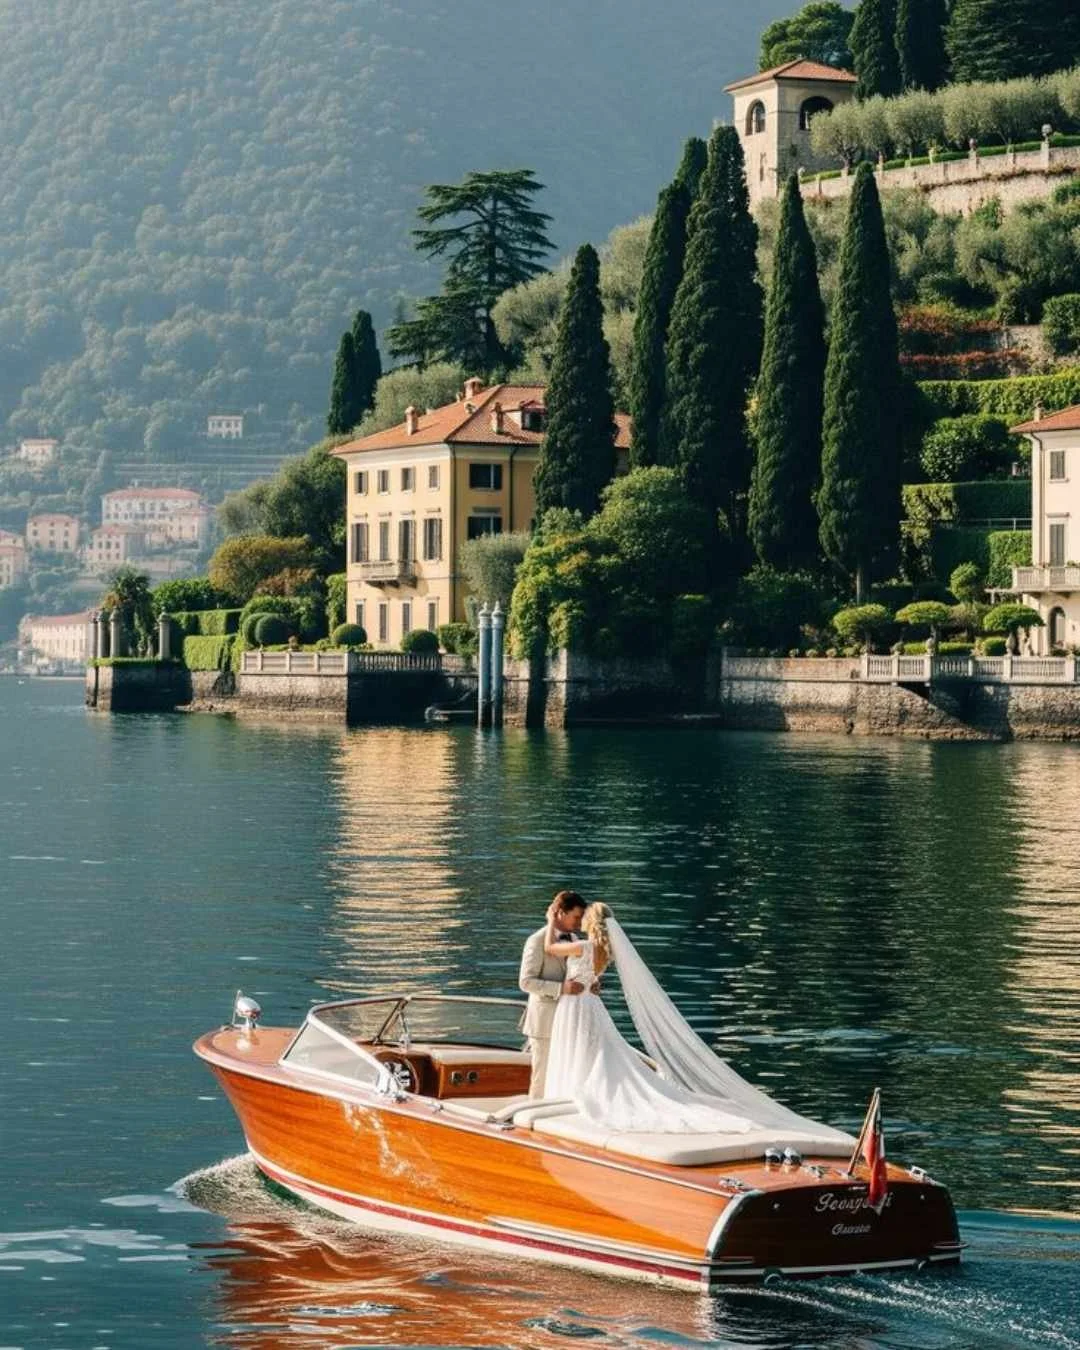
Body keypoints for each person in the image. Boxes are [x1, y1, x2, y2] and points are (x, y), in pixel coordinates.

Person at [518, 889, 589, 1098]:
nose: (579, 923)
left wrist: (588, 985)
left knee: (566, 1075)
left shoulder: (575, 939)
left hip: (570, 1019)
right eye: (576, 917)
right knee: (542, 1078)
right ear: (560, 912)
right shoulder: (536, 940)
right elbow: (526, 982)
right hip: (544, 1023)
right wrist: (561, 989)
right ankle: (531, 1122)